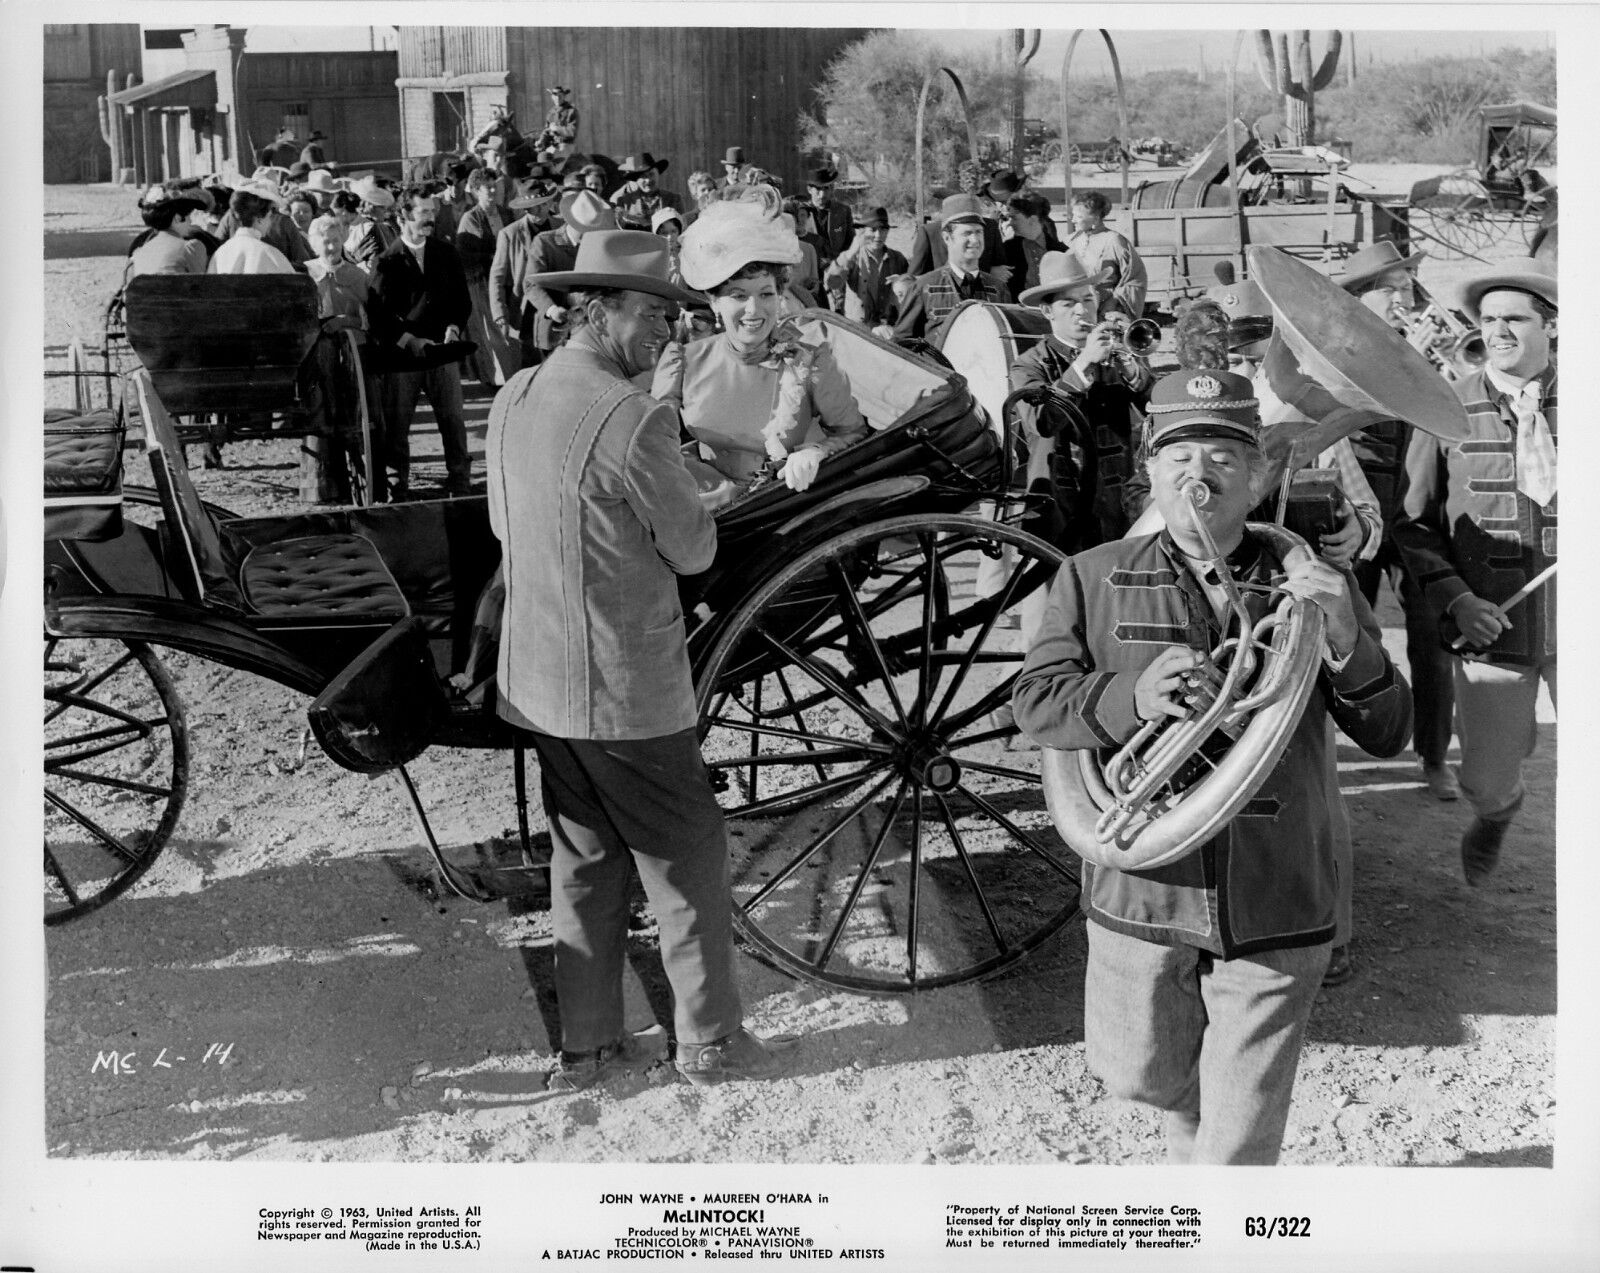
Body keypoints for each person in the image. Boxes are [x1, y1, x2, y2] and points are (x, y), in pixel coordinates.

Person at [1013, 368, 1412, 1165]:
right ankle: (1189, 1149)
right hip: (1142, 888)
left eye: (1226, 456)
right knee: (1141, 1079)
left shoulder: (1312, 585)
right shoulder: (1088, 577)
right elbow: (1035, 704)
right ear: (1151, 473)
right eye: (1180, 455)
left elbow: (1390, 729)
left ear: (1260, 474)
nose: (1201, 475)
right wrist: (1132, 694)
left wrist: (1341, 633)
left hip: (1274, 892)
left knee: (1238, 1143)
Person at [485, 228, 798, 1091]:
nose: (668, 331)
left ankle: (585, 1049)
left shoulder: (513, 395)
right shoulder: (631, 414)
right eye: (655, 312)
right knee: (687, 853)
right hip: (623, 687)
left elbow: (515, 524)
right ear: (601, 309)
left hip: (540, 683)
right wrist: (710, 498)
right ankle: (710, 1040)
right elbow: (694, 552)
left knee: (585, 860)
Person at [1393, 257, 1557, 887]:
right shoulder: (1446, 408)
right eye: (1489, 320)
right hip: (1492, 629)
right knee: (1485, 779)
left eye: (1514, 318)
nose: (1498, 331)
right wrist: (1458, 600)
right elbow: (1413, 524)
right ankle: (1496, 815)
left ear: (1550, 327)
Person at [1336, 240, 1461, 802]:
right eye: (1394, 287)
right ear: (1364, 298)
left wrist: (1438, 368)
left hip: (1415, 509)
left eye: (1407, 284)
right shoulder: (1339, 346)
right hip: (1355, 505)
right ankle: (1343, 750)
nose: (1406, 296)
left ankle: (1434, 757)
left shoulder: (1421, 348)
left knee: (1433, 639)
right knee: (1350, 634)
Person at [660, 186, 868, 502]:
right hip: (704, 504)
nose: (754, 311)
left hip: (784, 507)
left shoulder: (812, 361)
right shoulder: (683, 361)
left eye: (766, 294)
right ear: (714, 302)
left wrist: (817, 450)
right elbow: (652, 443)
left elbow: (853, 432)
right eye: (739, 296)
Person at [1009, 250, 1152, 556]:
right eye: (1068, 303)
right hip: (1060, 502)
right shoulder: (1029, 364)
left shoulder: (1114, 353)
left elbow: (1156, 408)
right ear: (1048, 312)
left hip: (1115, 503)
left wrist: (1131, 371)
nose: (1081, 310)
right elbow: (1042, 421)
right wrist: (1084, 362)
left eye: (1087, 300)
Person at [366, 190, 474, 500]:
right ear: (402, 218)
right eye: (423, 212)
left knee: (453, 420)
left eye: (432, 212)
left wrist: (454, 328)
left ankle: (460, 480)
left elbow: (462, 301)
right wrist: (408, 340)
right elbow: (378, 314)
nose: (430, 218)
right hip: (404, 357)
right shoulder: (386, 262)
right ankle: (397, 485)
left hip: (442, 352)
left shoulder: (446, 253)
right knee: (398, 424)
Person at [492, 188, 616, 368]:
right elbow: (531, 284)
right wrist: (551, 309)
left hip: (587, 332)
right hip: (550, 330)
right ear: (572, 223)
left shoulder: (596, 245)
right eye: (584, 230)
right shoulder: (545, 242)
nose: (588, 235)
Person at [893, 194, 1008, 346]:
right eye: (967, 233)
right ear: (947, 238)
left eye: (979, 232)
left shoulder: (998, 289)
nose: (975, 240)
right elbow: (902, 343)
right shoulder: (923, 288)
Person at [457, 169, 532, 386]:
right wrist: (494, 255)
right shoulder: (470, 218)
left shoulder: (505, 213)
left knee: (513, 329)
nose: (491, 190)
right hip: (482, 282)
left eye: (493, 186)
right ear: (475, 192)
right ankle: (507, 381)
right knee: (497, 332)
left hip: (508, 280)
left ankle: (517, 376)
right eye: (486, 187)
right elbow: (465, 255)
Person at [907, 164, 1009, 277]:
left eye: (974, 183)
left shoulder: (990, 227)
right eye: (967, 181)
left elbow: (1000, 271)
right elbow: (914, 278)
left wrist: (991, 271)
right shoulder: (930, 233)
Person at [824, 206, 908, 335]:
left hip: (887, 331)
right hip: (857, 331)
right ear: (862, 232)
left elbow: (910, 293)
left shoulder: (897, 259)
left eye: (883, 230)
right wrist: (851, 252)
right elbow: (832, 283)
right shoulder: (853, 257)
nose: (878, 236)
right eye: (873, 230)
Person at [1066, 189, 1147, 319]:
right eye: (1073, 215)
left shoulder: (1114, 240)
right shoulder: (1071, 240)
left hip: (1105, 311)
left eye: (1079, 217)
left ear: (1096, 218)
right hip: (1077, 307)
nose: (1073, 220)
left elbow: (1135, 277)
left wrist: (1114, 300)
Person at [209, 180, 297, 275]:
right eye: (269, 216)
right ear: (259, 218)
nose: (270, 221)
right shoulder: (269, 254)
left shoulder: (220, 253)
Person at [126, 184, 210, 279]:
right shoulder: (191, 248)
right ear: (177, 218)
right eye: (188, 217)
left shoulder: (139, 253)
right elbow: (201, 287)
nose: (191, 221)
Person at [1001, 190, 1065, 303]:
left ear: (1032, 219)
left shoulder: (1061, 252)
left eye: (1014, 218)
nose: (1010, 223)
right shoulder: (1006, 250)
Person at [610, 153, 682, 231]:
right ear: (636, 179)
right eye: (643, 176)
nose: (648, 180)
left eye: (651, 174)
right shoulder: (624, 202)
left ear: (658, 174)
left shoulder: (674, 199)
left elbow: (680, 228)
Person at [802, 166, 853, 268]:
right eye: (818, 189)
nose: (822, 195)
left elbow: (850, 243)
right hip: (809, 268)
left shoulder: (843, 211)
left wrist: (837, 262)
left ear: (832, 188)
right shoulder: (801, 212)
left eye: (826, 188)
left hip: (835, 269)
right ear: (809, 189)